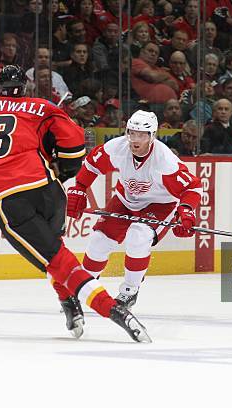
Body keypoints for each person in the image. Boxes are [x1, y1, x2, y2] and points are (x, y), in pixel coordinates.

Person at [0, 65, 150, 343]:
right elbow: (75, 143)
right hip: (48, 190)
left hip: (10, 197)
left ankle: (114, 311)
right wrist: (61, 170)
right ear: (23, 88)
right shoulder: (42, 106)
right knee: (56, 253)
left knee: (59, 262)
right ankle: (68, 304)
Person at [61, 110, 201, 314]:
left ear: (152, 136)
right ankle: (85, 288)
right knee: (99, 239)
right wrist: (79, 188)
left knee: (139, 235)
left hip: (159, 205)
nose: (135, 140)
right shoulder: (117, 148)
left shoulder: (164, 161)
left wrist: (186, 211)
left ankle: (129, 290)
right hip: (125, 199)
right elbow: (91, 164)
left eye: (142, 135)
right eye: (132, 133)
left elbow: (192, 187)